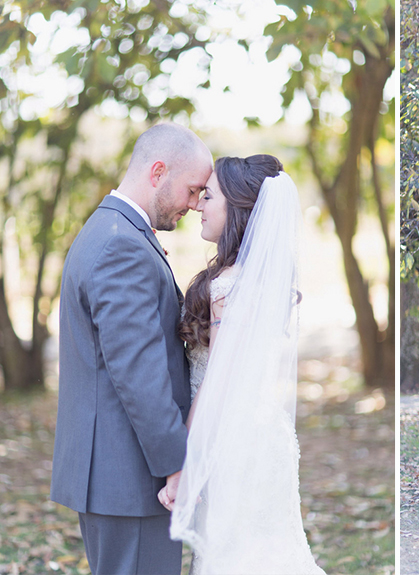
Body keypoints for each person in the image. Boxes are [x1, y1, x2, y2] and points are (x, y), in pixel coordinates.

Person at [51, 123, 213, 574]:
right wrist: (176, 464)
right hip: (131, 478)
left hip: (118, 476)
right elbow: (139, 377)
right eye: (193, 189)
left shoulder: (113, 230)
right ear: (158, 171)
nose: (196, 203)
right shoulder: (121, 246)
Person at [161, 154, 325, 574]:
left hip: (232, 442)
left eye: (208, 195)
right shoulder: (253, 279)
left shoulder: (230, 287)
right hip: (258, 432)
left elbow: (219, 380)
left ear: (235, 208)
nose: (197, 204)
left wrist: (183, 462)